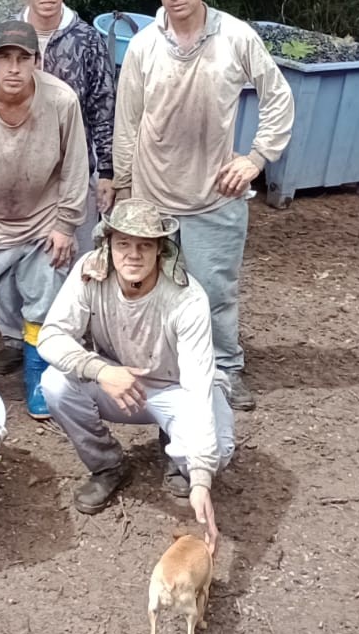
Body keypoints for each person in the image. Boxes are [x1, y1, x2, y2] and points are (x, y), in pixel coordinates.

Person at [113, 0, 294, 412]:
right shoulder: (144, 44)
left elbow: (278, 97)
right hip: (153, 197)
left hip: (215, 196)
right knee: (149, 288)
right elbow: (127, 121)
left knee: (214, 292)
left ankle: (226, 369)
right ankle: (161, 369)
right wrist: (124, 190)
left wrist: (256, 158)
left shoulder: (235, 37)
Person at [37, 200, 232, 545]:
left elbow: (198, 386)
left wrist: (201, 478)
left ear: (161, 250)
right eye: (123, 243)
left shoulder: (187, 297)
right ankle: (108, 465)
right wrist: (98, 370)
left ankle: (176, 448)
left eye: (145, 245)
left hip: (178, 390)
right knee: (55, 384)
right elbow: (51, 336)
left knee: (216, 453)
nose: (133, 254)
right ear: (107, 244)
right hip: (119, 382)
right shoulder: (89, 272)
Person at [0, 0, 117, 378]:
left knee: (65, 256)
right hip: (11, 169)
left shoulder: (87, 41)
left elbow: (102, 105)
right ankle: (12, 338)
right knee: (10, 256)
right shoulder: (2, 36)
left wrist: (107, 170)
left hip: (70, 170)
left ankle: (59, 340)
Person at [0, 19, 90, 420]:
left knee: (45, 299)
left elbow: (76, 165)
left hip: (43, 218)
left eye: (22, 58)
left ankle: (37, 378)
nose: (13, 68)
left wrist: (66, 224)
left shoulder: (61, 100)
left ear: (36, 62)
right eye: (3, 57)